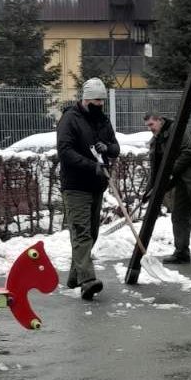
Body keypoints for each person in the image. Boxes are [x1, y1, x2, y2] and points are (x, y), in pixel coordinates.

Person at [57, 77, 120, 300]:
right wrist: (91, 165)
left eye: (103, 101)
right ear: (85, 99)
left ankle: (75, 276)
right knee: (81, 232)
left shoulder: (102, 120)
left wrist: (108, 147)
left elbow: (115, 148)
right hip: (75, 185)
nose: (100, 105)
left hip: (97, 185)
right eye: (96, 100)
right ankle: (87, 281)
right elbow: (65, 151)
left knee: (92, 233)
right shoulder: (70, 119)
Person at [143, 112, 191, 267]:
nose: (150, 128)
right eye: (147, 126)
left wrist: (169, 174)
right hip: (180, 178)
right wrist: (149, 190)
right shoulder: (156, 141)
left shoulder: (178, 129)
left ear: (160, 120)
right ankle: (182, 253)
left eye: (151, 124)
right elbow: (156, 168)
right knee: (179, 215)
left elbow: (188, 152)